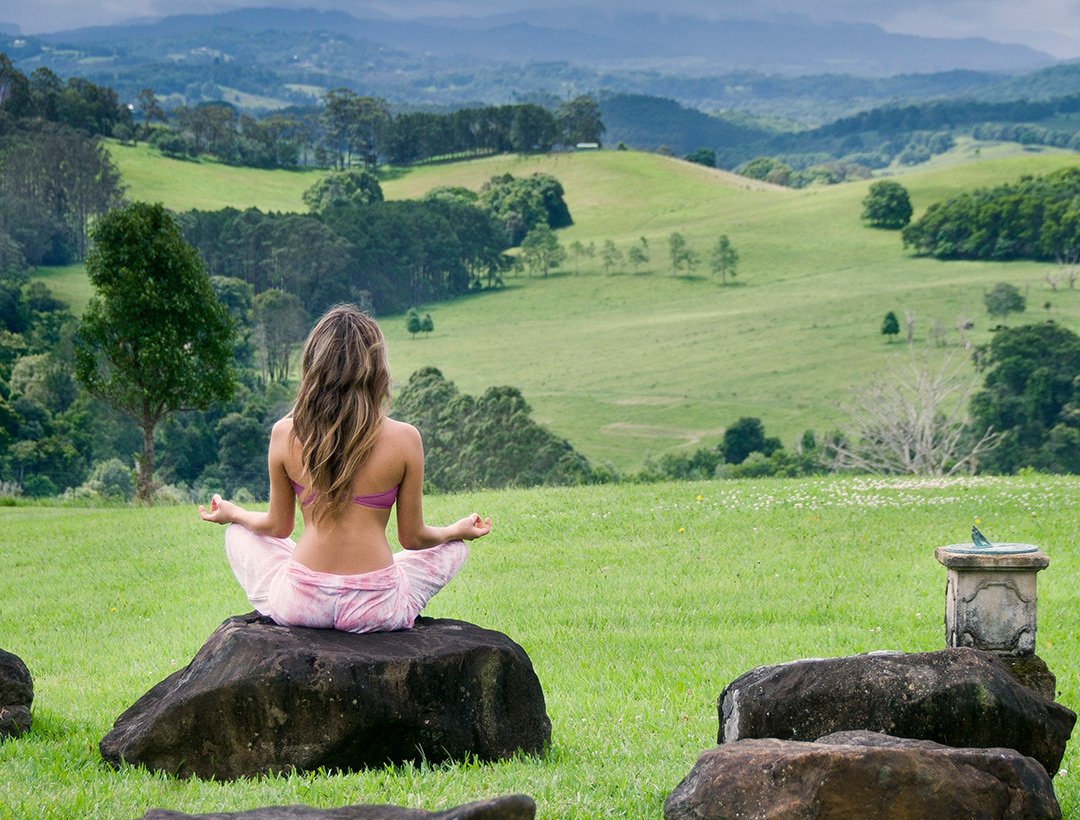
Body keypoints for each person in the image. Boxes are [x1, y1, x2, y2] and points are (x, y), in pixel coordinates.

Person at [199, 304, 491, 633]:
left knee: (238, 533)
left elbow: (277, 527)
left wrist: (233, 512)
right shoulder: (406, 439)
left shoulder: (285, 433)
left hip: (301, 603)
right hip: (376, 606)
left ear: (313, 365)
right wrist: (456, 531)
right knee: (453, 550)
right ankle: (387, 584)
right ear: (377, 369)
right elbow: (412, 538)